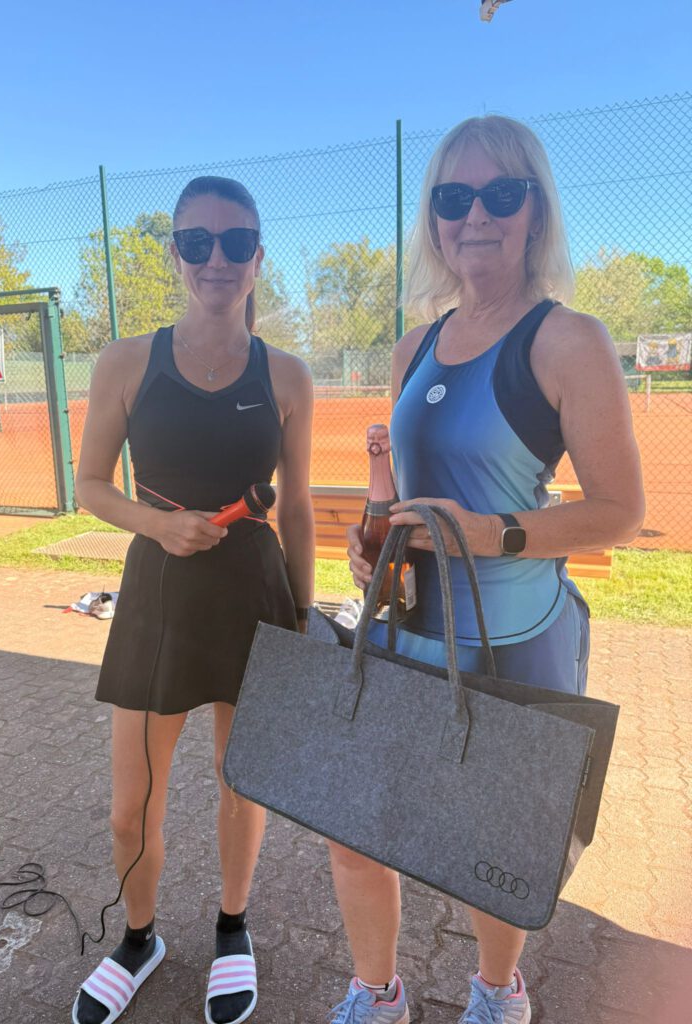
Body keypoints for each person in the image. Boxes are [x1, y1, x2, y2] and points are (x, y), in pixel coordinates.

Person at [332, 115, 645, 1024]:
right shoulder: (413, 347)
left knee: (493, 852)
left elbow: (620, 511)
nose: (476, 215)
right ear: (433, 218)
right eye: (453, 196)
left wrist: (491, 535)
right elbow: (406, 492)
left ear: (534, 211)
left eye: (501, 194)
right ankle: (376, 994)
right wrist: (374, 549)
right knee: (355, 829)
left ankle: (498, 994)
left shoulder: (568, 339)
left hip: (515, 642)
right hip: (409, 632)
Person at [72, 176, 314, 1024]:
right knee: (129, 806)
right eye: (198, 241)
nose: (218, 258)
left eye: (236, 242)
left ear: (258, 257)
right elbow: (91, 484)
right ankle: (139, 939)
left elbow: (299, 509)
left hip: (255, 595)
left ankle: (232, 927)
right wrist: (158, 525)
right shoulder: (125, 361)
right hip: (160, 593)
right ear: (176, 253)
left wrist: (303, 620)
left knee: (239, 781)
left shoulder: (287, 375)